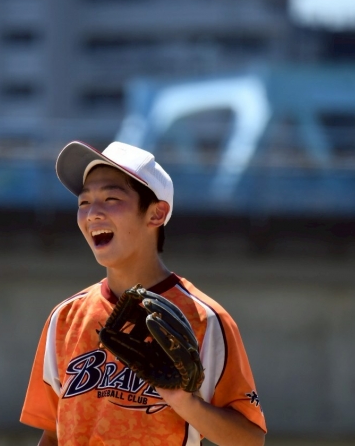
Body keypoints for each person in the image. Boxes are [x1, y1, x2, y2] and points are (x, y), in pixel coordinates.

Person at [21, 141, 266, 445]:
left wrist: (186, 402)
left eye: (111, 198)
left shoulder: (205, 318)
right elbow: (53, 432)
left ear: (156, 214)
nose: (93, 213)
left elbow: (250, 440)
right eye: (84, 203)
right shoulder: (66, 318)